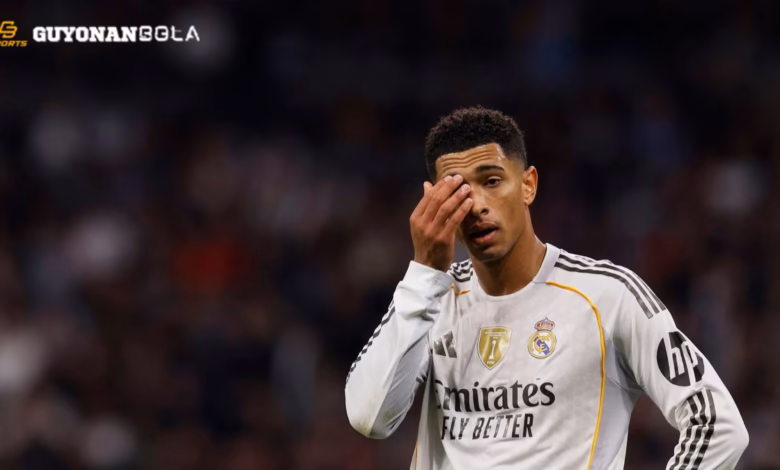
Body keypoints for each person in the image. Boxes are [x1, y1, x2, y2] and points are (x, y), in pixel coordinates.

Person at [344, 106, 749, 469]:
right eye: (458, 191)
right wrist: (424, 273)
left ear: (528, 185)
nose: (477, 205)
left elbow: (717, 425)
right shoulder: (430, 299)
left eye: (491, 181)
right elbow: (369, 419)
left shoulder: (607, 296)